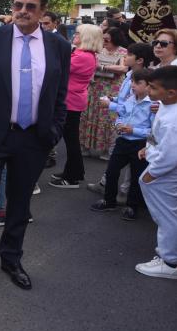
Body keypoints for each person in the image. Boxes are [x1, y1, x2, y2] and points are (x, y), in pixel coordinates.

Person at [0, 0, 71, 291]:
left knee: (20, 204)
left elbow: (60, 95)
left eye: (30, 6)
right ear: (12, 7)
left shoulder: (58, 46)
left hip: (33, 137)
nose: (23, 11)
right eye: (18, 5)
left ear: (43, 10)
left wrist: (54, 131)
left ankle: (11, 258)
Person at [90, 69, 154, 219]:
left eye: (138, 83)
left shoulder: (153, 105)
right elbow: (122, 115)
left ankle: (132, 206)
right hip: (123, 141)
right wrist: (118, 125)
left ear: (149, 86)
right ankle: (109, 200)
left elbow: (153, 131)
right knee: (111, 171)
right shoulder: (131, 98)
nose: (133, 85)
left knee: (136, 177)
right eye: (132, 82)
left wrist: (134, 130)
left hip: (140, 144)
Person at [135, 66, 177, 279]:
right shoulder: (165, 105)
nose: (149, 91)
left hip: (164, 173)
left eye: (153, 87)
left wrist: (153, 173)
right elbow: (157, 136)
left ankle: (170, 262)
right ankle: (169, 256)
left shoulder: (175, 120)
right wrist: (148, 147)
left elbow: (171, 154)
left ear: (171, 92)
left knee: (167, 216)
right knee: (167, 214)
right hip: (159, 168)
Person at [49, 24, 100, 188]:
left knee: (71, 140)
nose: (74, 35)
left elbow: (56, 68)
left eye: (78, 33)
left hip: (70, 101)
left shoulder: (83, 56)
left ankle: (73, 175)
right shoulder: (82, 54)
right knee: (70, 139)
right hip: (72, 99)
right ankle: (72, 172)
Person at [80, 26, 129, 159]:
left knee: (108, 117)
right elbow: (89, 65)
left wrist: (102, 67)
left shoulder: (123, 52)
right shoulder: (98, 51)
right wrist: (110, 68)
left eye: (107, 39)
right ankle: (85, 145)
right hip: (95, 86)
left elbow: (123, 68)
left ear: (115, 39)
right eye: (103, 39)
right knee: (90, 115)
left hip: (112, 89)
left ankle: (106, 149)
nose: (104, 42)